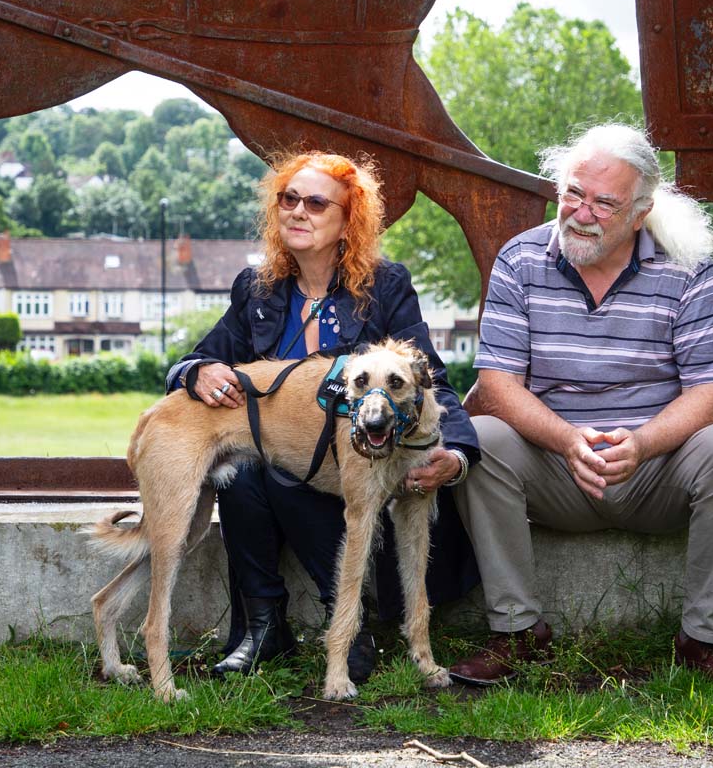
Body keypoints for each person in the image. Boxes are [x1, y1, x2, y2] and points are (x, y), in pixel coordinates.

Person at [450, 123, 713, 691]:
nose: (582, 212)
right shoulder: (520, 258)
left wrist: (643, 443)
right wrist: (567, 441)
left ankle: (705, 642)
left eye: (605, 202)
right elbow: (499, 384)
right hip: (556, 469)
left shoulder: (686, 267)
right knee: (482, 437)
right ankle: (518, 632)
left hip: (655, 472)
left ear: (641, 213)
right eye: (574, 193)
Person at [165, 150, 480, 681]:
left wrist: (458, 452)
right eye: (288, 199)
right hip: (281, 474)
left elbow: (431, 380)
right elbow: (199, 356)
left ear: (347, 220)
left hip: (356, 470)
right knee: (243, 468)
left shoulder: (386, 286)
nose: (297, 211)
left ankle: (352, 624)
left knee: (282, 470)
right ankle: (262, 630)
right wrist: (195, 372)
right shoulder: (257, 290)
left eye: (315, 202)